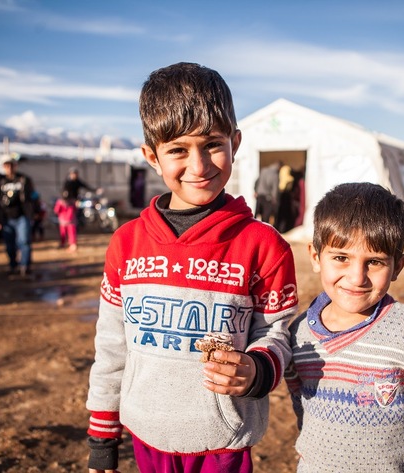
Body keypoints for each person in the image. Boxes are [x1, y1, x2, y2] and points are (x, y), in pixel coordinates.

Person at [85, 62, 299, 473]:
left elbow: (277, 334)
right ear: (152, 156)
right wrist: (102, 440)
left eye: (212, 145)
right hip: (147, 437)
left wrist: (257, 369)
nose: (198, 166)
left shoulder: (264, 245)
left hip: (223, 443)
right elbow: (112, 348)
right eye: (178, 150)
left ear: (235, 143)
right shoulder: (127, 244)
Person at [285, 182, 404, 473]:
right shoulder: (298, 336)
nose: (356, 277)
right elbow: (303, 407)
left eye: (374, 262)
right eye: (341, 258)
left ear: (397, 267)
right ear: (315, 257)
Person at [0, 159, 36, 277]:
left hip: (22, 216)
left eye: (12, 165)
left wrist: (32, 214)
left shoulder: (23, 179)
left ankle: (25, 266)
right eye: (7, 166)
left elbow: (32, 197)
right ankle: (13, 265)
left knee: (24, 241)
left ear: (15, 166)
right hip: (6, 217)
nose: (10, 168)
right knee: (10, 244)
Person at [253, 161, 280, 225]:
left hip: (259, 195)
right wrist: (275, 200)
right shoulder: (275, 175)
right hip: (267, 197)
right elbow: (275, 188)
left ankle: (253, 227)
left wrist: (256, 191)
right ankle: (263, 230)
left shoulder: (263, 171)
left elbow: (257, 182)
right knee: (265, 217)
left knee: (257, 214)